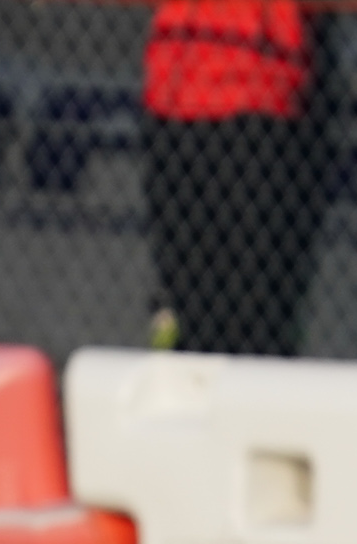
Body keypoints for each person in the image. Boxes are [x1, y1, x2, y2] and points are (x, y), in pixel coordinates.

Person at [141, 0, 325, 356]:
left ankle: (253, 371)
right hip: (175, 91)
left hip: (260, 92)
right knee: (187, 294)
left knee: (256, 302)